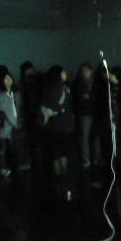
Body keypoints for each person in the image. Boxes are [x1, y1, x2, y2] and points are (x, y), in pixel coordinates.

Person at [41, 66, 75, 200]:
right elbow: (54, 107)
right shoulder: (59, 88)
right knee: (63, 153)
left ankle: (59, 182)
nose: (65, 73)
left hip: (55, 126)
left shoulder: (50, 88)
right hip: (63, 125)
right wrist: (61, 110)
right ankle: (63, 182)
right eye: (63, 72)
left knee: (57, 153)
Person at [0, 67, 23, 180]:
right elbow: (3, 111)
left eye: (9, 78)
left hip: (16, 124)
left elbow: (20, 109)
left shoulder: (16, 93)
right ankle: (4, 168)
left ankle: (15, 167)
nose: (8, 80)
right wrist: (14, 124)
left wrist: (18, 123)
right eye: (5, 78)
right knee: (3, 149)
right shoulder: (0, 95)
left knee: (15, 148)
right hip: (5, 126)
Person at [72, 63, 94, 169]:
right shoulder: (78, 83)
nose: (85, 72)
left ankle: (95, 157)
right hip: (84, 113)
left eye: (86, 70)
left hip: (94, 113)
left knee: (94, 137)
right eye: (83, 70)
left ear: (90, 71)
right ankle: (86, 158)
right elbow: (75, 98)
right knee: (84, 137)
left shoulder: (95, 82)